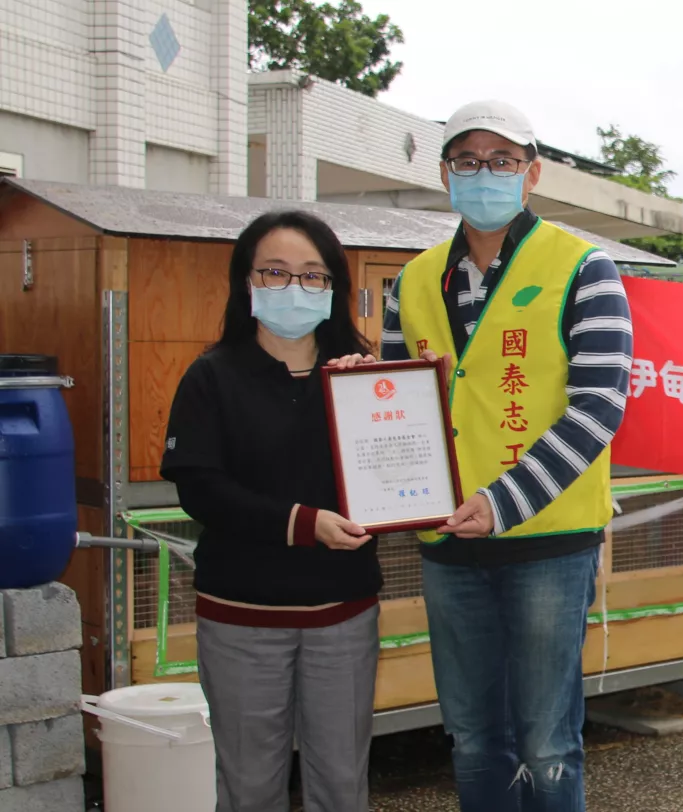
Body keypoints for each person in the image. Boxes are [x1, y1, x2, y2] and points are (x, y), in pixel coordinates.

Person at [333, 100, 633, 811]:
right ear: (445, 174)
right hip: (449, 542)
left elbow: (599, 407)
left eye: (502, 161)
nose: (484, 174)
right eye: (467, 161)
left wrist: (502, 503)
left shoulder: (585, 268)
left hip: (548, 540)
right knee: (471, 738)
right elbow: (404, 401)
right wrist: (366, 392)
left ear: (533, 173)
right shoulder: (415, 279)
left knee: (546, 742)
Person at [160, 210, 383, 812]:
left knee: (342, 785)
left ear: (333, 287)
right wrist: (303, 524)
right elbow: (200, 489)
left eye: (313, 275)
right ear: (247, 282)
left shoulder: (363, 378)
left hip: (343, 613)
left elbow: (396, 478)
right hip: (242, 617)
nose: (295, 287)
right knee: (250, 786)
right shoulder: (211, 376)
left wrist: (380, 400)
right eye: (276, 272)